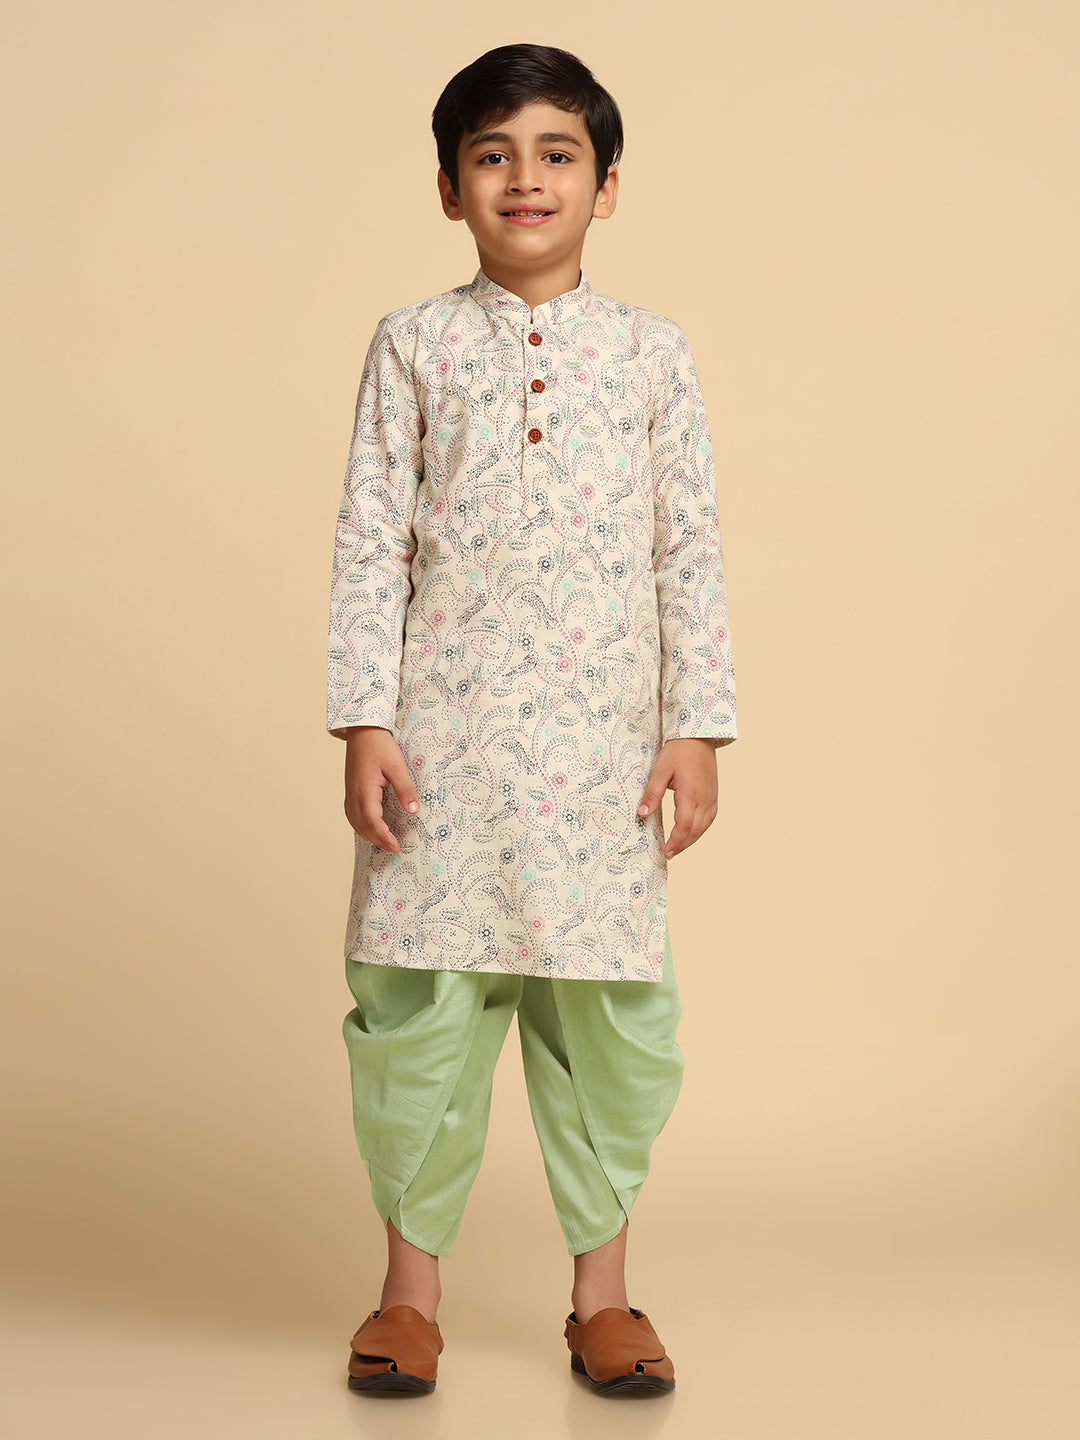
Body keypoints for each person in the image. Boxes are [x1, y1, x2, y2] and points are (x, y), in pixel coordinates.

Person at [326, 42, 737, 1398]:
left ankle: (602, 1300)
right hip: (439, 752)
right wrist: (365, 718)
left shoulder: (652, 354)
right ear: (450, 187)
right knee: (418, 1025)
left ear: (605, 185)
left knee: (608, 1027)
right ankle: (408, 1299)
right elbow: (372, 543)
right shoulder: (413, 344)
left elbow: (689, 548)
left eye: (557, 153)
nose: (525, 178)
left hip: (602, 761)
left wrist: (695, 725)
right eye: (492, 155)